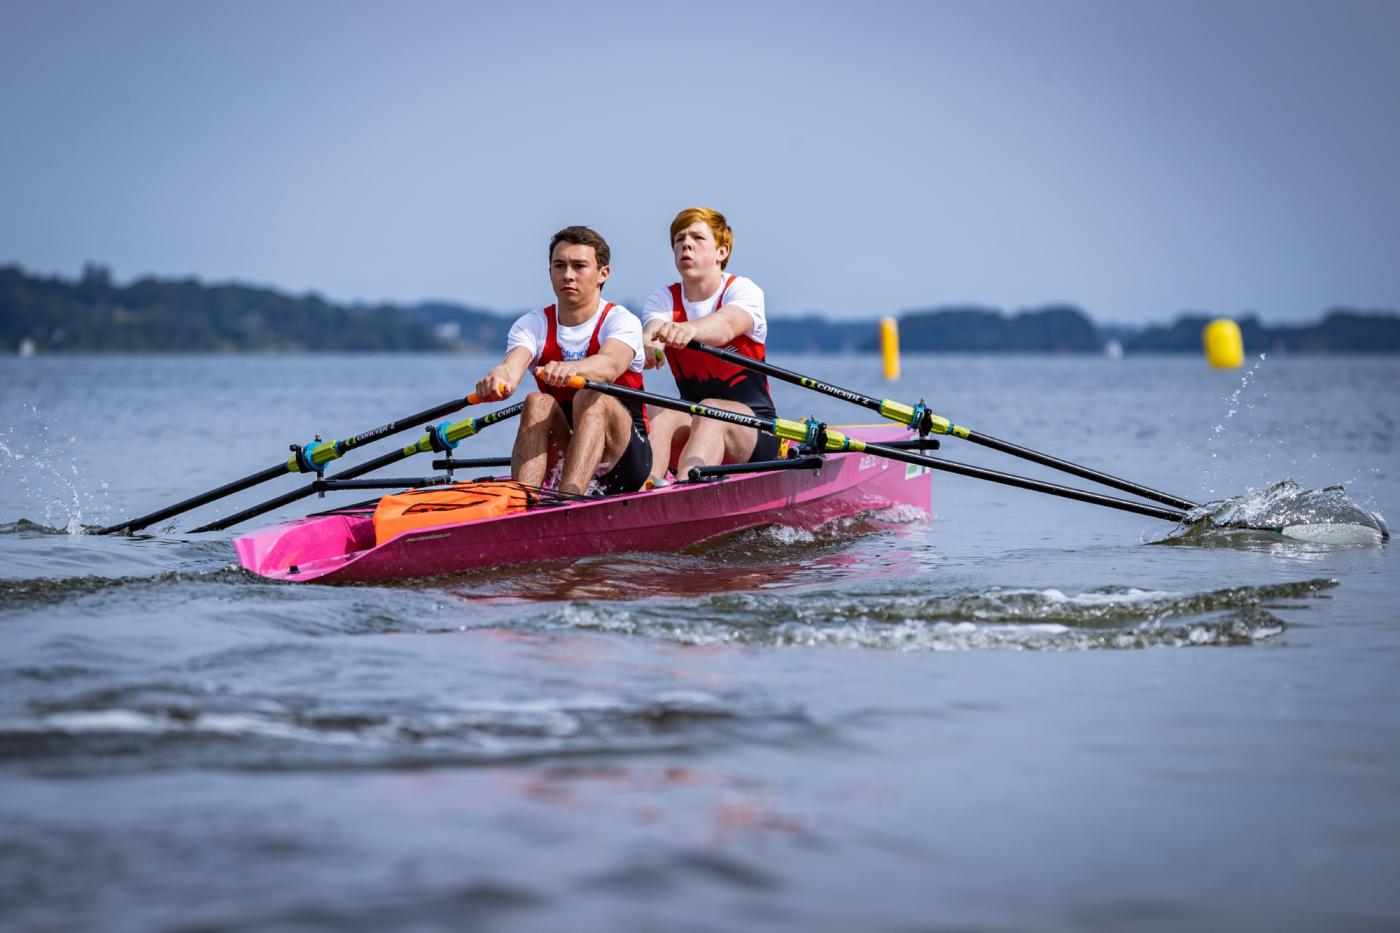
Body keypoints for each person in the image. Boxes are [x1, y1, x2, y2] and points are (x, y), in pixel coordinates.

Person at [475, 226, 651, 495]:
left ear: (603, 274)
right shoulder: (532, 324)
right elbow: (511, 366)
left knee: (590, 395)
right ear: (550, 272)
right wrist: (498, 377)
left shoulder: (621, 321)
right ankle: (525, 499)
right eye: (560, 266)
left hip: (624, 460)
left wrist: (572, 369)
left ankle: (569, 499)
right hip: (568, 448)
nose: (568, 275)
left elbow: (609, 365)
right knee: (536, 402)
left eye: (579, 266)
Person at [641, 207, 778, 485]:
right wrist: (647, 347)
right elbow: (651, 333)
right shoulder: (663, 299)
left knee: (710, 410)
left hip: (756, 429)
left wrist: (689, 329)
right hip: (695, 422)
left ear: (722, 252)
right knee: (658, 410)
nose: (686, 244)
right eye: (679, 239)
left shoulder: (743, 291)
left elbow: (727, 324)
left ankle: (686, 488)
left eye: (697, 238)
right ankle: (645, 489)